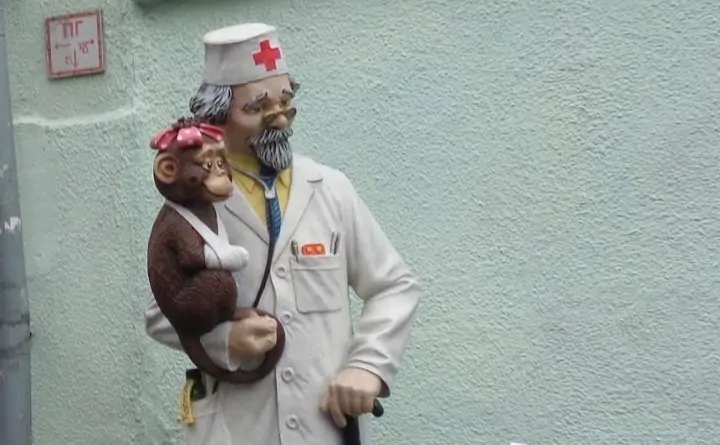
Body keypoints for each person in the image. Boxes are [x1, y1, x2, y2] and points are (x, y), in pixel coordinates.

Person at [143, 22, 420, 445]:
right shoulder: (192, 205)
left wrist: (369, 365)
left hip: (325, 424)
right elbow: (162, 312)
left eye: (285, 102)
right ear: (217, 116)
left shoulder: (331, 190)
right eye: (257, 107)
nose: (277, 118)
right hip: (239, 425)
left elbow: (394, 285)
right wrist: (225, 340)